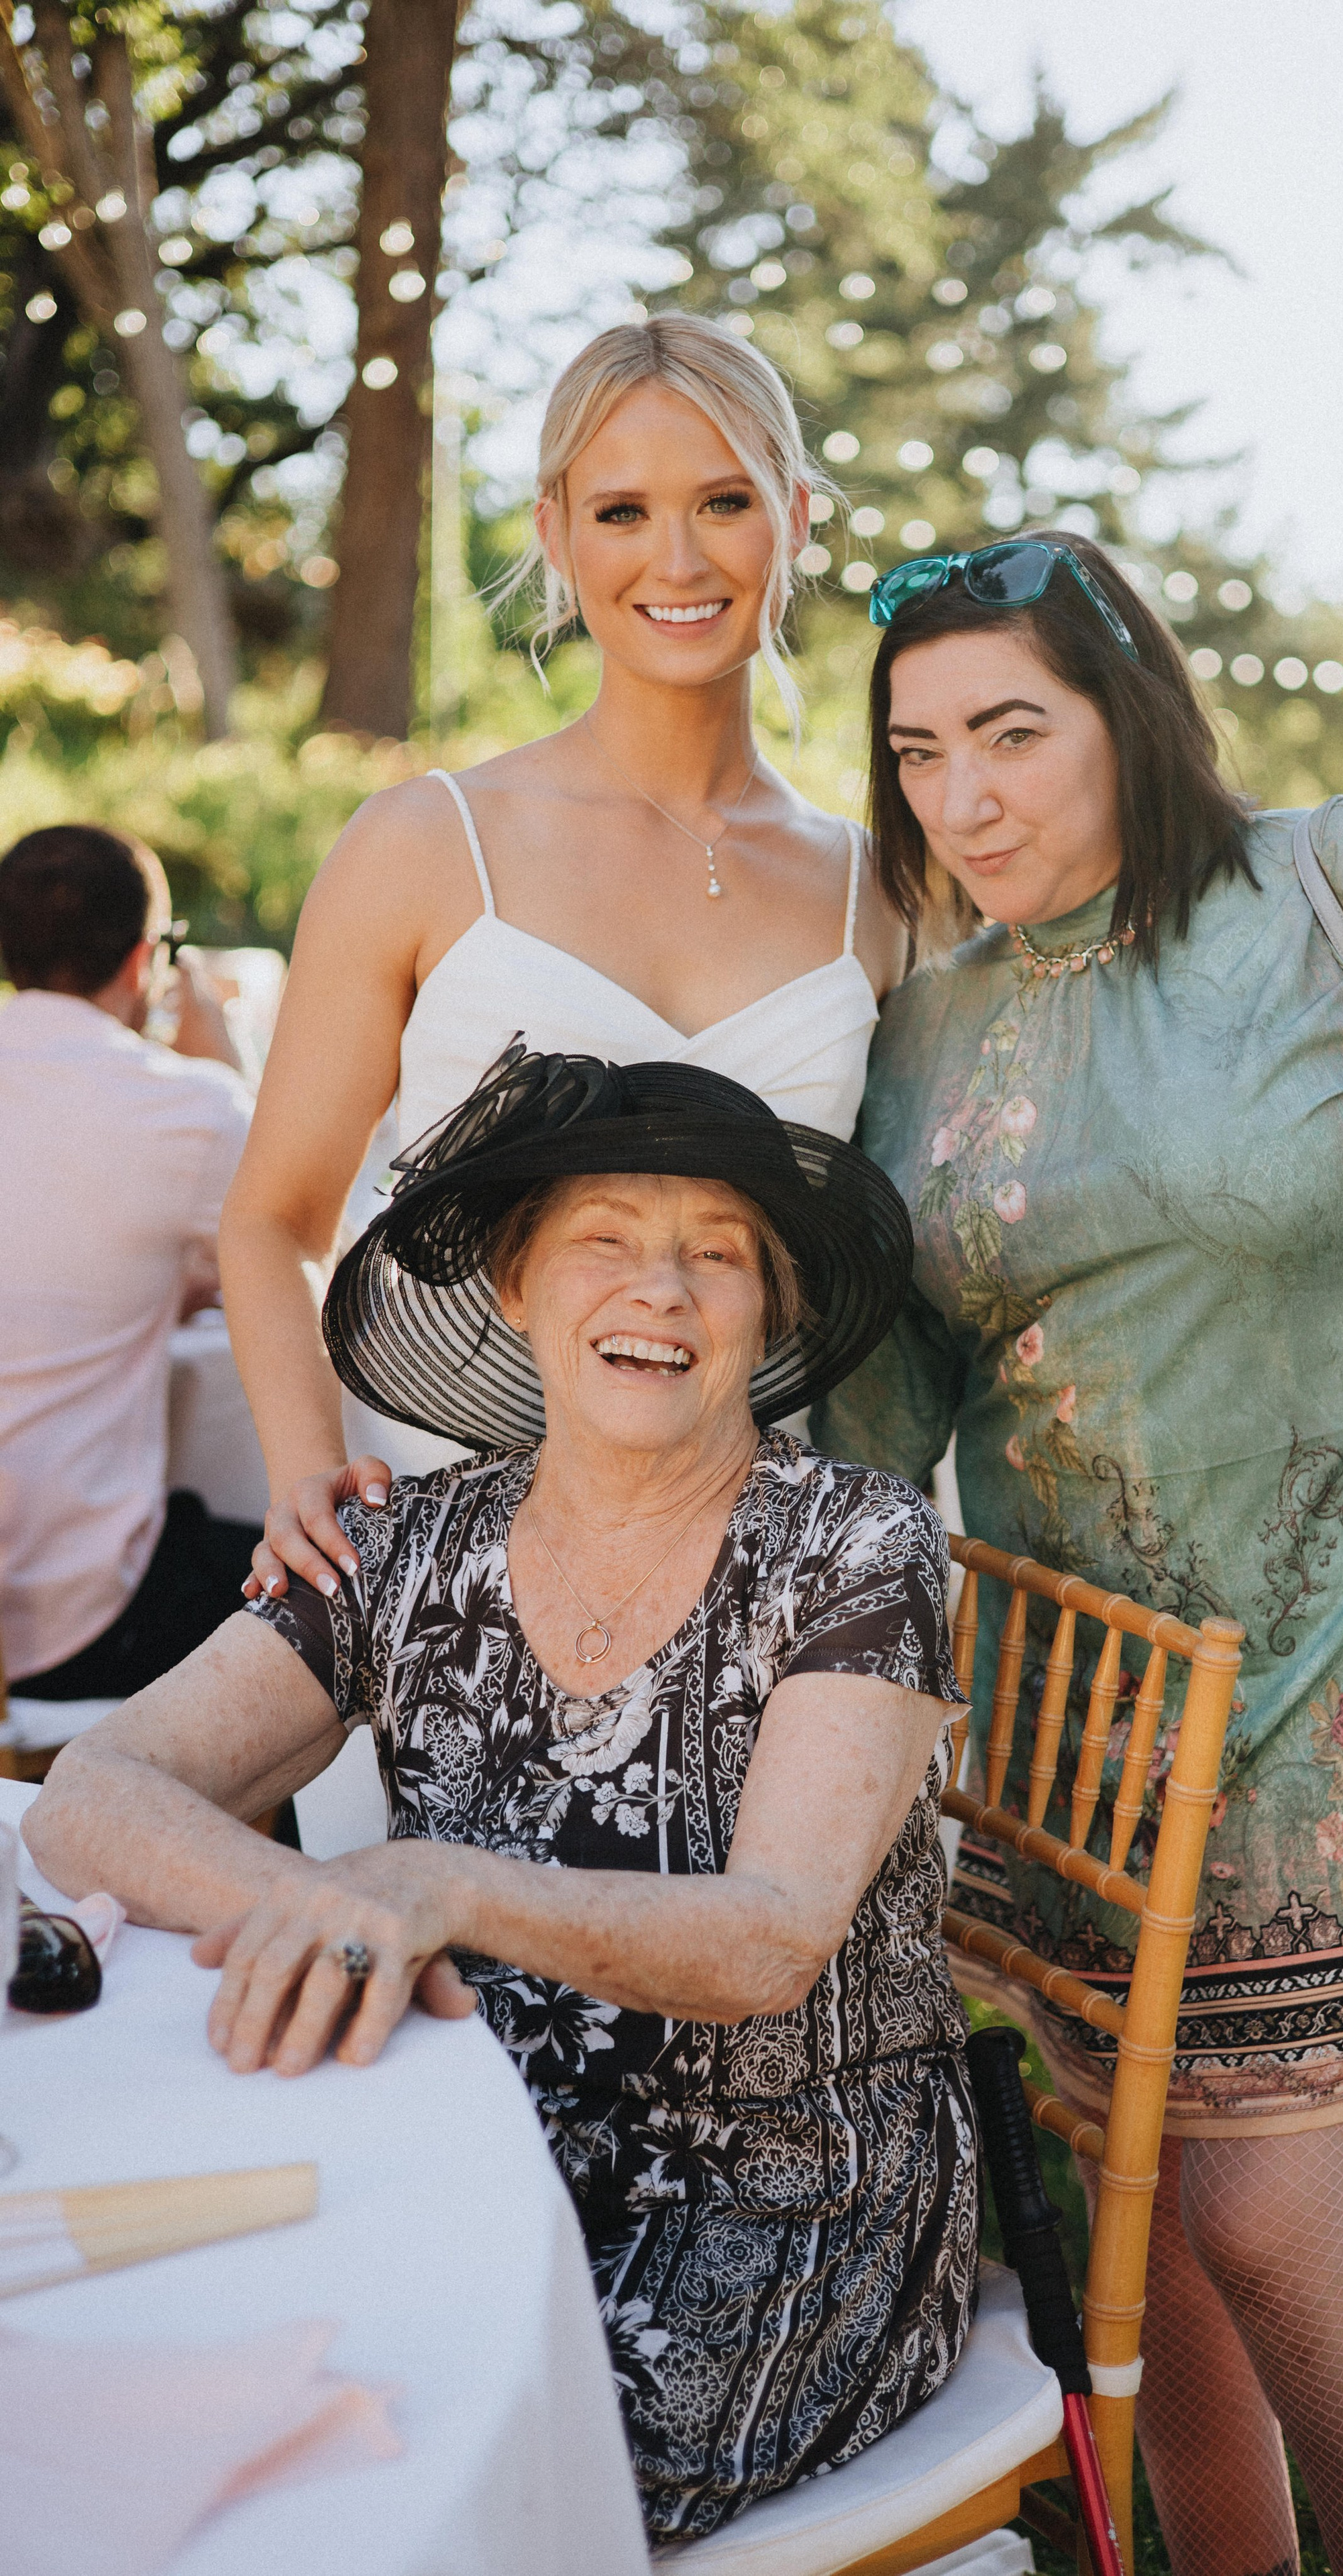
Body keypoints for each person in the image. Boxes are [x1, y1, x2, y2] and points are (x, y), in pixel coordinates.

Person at [812, 533, 1343, 2576]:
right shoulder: (922, 1034)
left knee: (1268, 2211)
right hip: (1080, 1715)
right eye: (918, 754)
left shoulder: (1342, 885)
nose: (964, 797)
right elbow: (872, 1416)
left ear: (1133, 716)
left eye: (1012, 732)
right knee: (1142, 2208)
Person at [25, 1047, 977, 2542]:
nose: (658, 1290)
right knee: (209, 2384)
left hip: (781, 2193)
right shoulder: (409, 1543)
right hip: (464, 2136)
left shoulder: (853, 1546)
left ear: (768, 1312)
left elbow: (772, 1937)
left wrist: (442, 1891)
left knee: (438, 2474)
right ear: (519, 1286)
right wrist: (326, 1909)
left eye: (715, 1256)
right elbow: (91, 1793)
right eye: (604, 1239)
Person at [221, 311, 904, 1610]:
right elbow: (270, 1221)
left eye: (722, 501)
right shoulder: (425, 845)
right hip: (439, 1571)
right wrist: (306, 1477)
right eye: (621, 513)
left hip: (746, 1592)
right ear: (552, 532)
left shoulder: (875, 896)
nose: (678, 558)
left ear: (797, 519)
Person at [0, 824, 258, 1702]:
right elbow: (307, 1254)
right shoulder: (187, 1109)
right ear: (146, 956)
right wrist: (223, 1055)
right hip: (71, 1616)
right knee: (339, 1592)